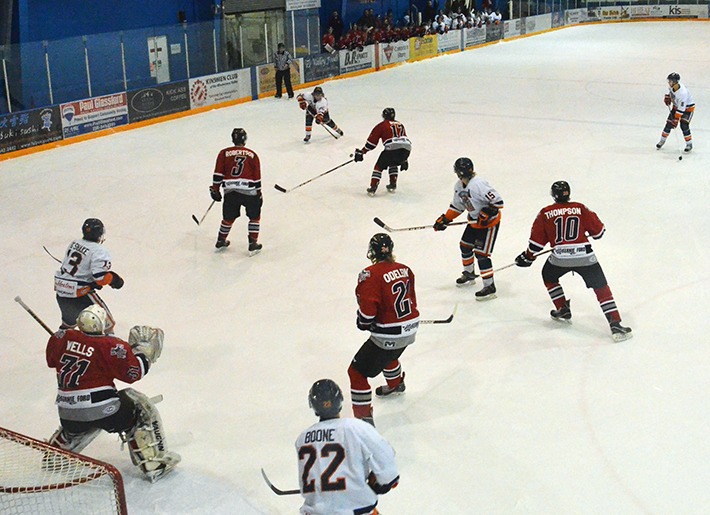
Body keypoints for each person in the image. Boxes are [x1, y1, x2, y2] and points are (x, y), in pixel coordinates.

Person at [45, 305, 180, 482]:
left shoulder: (61, 337)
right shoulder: (109, 346)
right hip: (103, 410)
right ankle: (153, 464)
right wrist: (143, 352)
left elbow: (51, 360)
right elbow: (134, 373)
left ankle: (54, 455)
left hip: (67, 413)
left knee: (80, 419)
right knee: (138, 405)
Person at [514, 181, 633, 342]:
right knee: (601, 288)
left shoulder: (545, 212)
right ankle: (616, 324)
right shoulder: (580, 208)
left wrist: (528, 256)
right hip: (585, 257)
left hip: (559, 259)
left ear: (552, 195)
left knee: (548, 275)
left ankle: (562, 308)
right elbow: (599, 233)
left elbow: (536, 243)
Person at [296, 379, 399, 515]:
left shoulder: (302, 438)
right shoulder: (356, 428)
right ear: (340, 401)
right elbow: (389, 474)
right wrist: (377, 486)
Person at [348, 233, 419, 427]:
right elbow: (411, 299)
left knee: (356, 372)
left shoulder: (369, 274)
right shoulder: (405, 269)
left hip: (389, 334)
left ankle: (364, 420)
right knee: (388, 352)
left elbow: (368, 312)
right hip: (410, 329)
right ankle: (396, 384)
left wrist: (363, 322)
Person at [433, 157, 504, 300]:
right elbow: (458, 206)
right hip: (474, 222)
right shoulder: (459, 187)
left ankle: (489, 286)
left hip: (489, 224)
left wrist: (487, 212)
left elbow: (498, 202)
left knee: (481, 255)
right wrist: (446, 219)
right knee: (465, 246)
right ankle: (469, 273)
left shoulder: (478, 184)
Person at [54, 218, 124, 333]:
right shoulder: (99, 251)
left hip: (62, 292)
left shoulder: (74, 242)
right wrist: (115, 280)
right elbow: (101, 278)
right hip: (80, 296)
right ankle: (108, 349)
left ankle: (59, 342)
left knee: (68, 325)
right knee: (106, 326)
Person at [210, 128, 263, 255]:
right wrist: (259, 192)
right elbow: (257, 176)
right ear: (244, 139)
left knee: (228, 217)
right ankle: (253, 243)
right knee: (254, 217)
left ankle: (221, 240)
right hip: (249, 190)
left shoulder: (223, 153)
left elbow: (218, 174)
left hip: (230, 191)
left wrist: (215, 189)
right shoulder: (252, 154)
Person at [354, 107, 412, 196]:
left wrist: (362, 151)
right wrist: (404, 159)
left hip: (392, 148)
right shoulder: (400, 124)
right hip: (407, 149)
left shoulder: (382, 125)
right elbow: (402, 142)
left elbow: (372, 143)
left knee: (379, 166)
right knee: (394, 163)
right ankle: (393, 184)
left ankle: (373, 187)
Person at [656, 72, 694, 153]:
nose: (668, 82)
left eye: (670, 81)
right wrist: (667, 96)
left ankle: (689, 144)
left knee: (684, 125)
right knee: (669, 124)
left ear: (674, 82)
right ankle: (662, 141)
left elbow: (681, 108)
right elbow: (669, 91)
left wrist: (676, 119)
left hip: (687, 109)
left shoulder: (682, 93)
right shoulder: (673, 86)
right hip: (677, 107)